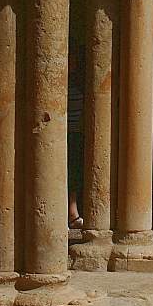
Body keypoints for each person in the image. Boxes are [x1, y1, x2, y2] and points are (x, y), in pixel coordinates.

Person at [67, 43, 85, 228]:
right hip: (60, 135)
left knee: (74, 174)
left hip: (75, 134)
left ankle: (73, 213)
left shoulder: (80, 82)